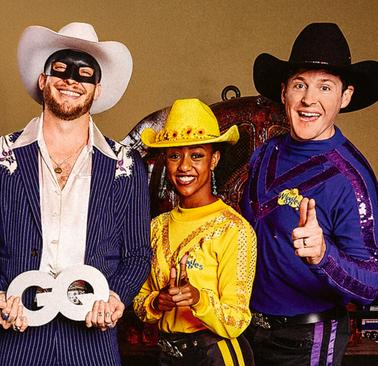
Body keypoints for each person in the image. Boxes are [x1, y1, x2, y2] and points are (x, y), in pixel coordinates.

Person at [0, 22, 151, 366]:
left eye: (84, 75)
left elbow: (138, 253)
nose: (71, 80)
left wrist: (115, 297)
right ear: (42, 80)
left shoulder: (125, 164)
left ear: (96, 89)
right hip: (20, 331)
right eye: (60, 70)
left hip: (93, 335)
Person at [241, 22, 378, 365]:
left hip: (306, 340)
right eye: (300, 84)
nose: (308, 99)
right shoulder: (265, 153)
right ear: (284, 91)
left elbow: (372, 283)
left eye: (325, 87)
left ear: (345, 97)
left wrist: (322, 255)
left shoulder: (351, 179)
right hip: (247, 330)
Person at [133, 99, 257, 365]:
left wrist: (199, 299)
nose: (184, 166)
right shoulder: (157, 226)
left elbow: (237, 320)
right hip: (168, 354)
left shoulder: (233, 229)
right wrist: (157, 302)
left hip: (216, 354)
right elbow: (140, 302)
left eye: (197, 155)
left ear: (214, 159)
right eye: (175, 155)